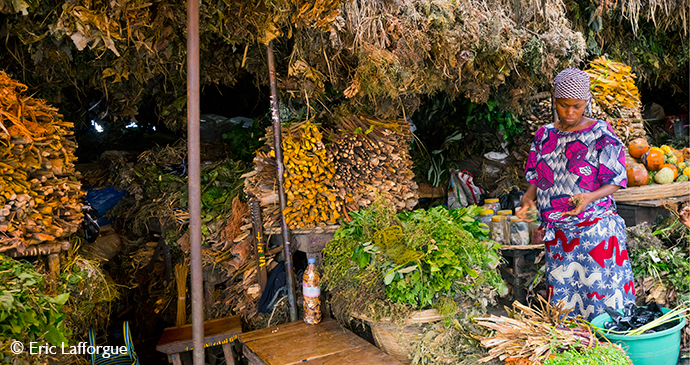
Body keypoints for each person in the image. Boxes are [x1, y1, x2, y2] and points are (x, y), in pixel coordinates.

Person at [517, 68, 635, 321]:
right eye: (563, 105)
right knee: (564, 305)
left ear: (587, 103)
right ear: (554, 101)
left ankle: (610, 351)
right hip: (558, 236)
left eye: (577, 106)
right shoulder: (544, 135)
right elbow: (537, 175)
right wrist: (529, 197)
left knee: (602, 300)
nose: (570, 113)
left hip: (594, 232)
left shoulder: (600, 134)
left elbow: (616, 179)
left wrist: (589, 197)